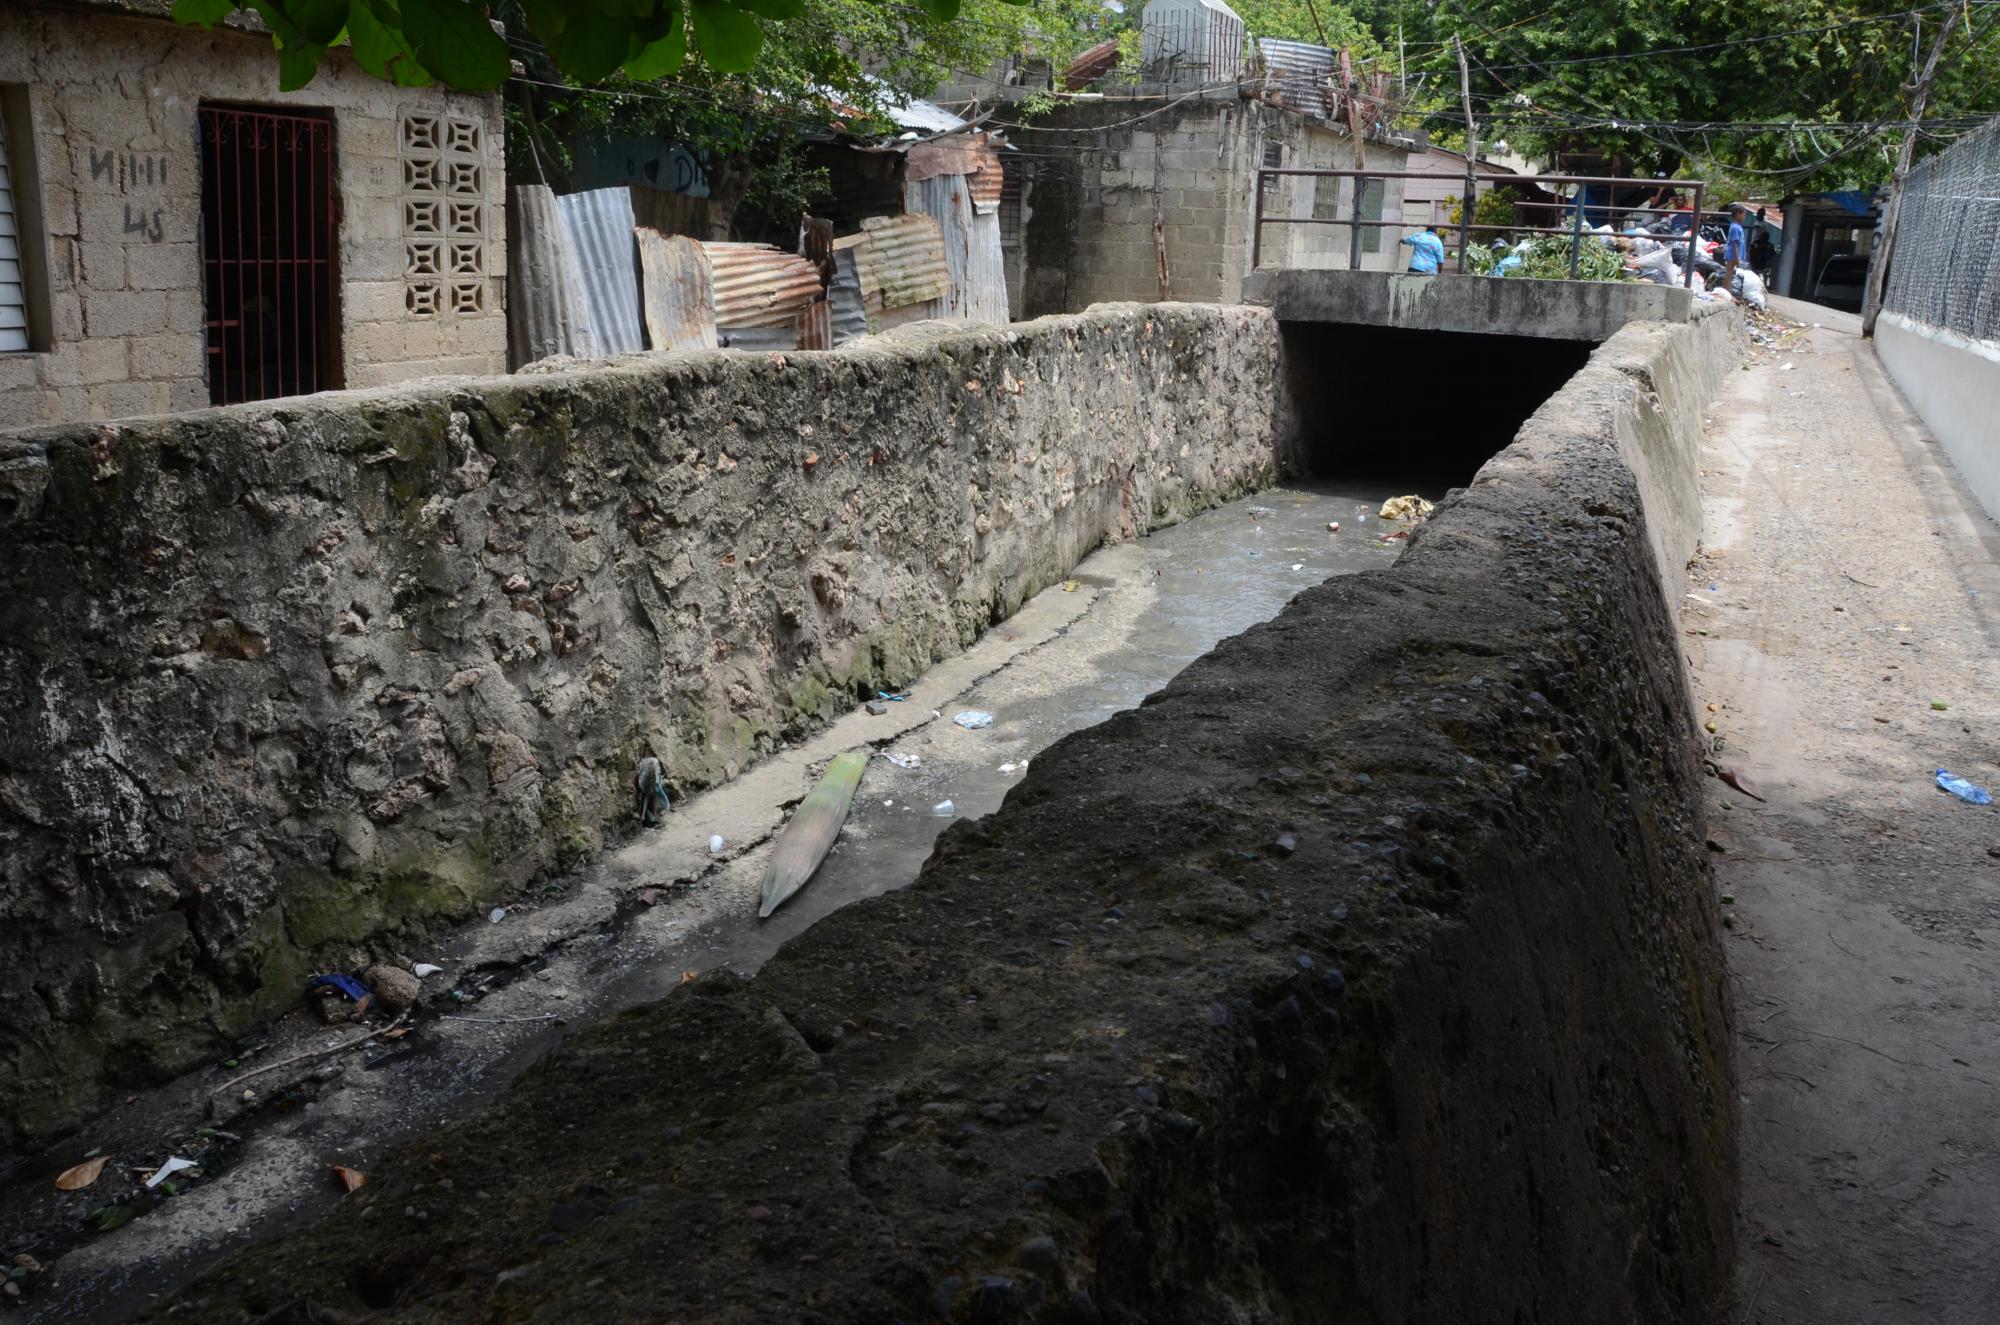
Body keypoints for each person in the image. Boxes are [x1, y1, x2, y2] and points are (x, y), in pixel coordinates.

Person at [634, 754, 670, 827]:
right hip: (649, 779)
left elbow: (640, 773)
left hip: (646, 779)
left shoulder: (644, 761)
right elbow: (656, 773)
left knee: (647, 796)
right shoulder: (656, 762)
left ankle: (643, 816)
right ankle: (651, 815)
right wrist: (657, 782)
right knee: (651, 796)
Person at [1722, 203, 1750, 290]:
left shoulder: (1738, 227)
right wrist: (1736, 257)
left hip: (1736, 255)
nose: (1744, 217)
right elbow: (1734, 243)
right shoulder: (1734, 227)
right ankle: (1727, 292)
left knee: (1731, 274)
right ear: (1738, 214)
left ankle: (1728, 290)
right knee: (1729, 274)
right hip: (1732, 255)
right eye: (1743, 214)